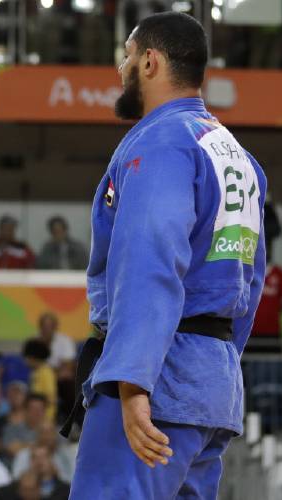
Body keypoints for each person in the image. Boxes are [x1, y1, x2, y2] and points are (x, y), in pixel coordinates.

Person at [67, 12, 266, 499]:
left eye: (127, 56)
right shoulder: (235, 155)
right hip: (211, 384)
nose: (121, 68)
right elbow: (252, 278)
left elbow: (149, 263)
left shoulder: (162, 142)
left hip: (158, 381)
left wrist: (133, 382)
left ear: (150, 62)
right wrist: (217, 365)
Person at [22, 339, 57, 422]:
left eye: (26, 357)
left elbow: (50, 397)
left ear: (32, 357)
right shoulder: (34, 372)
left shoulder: (46, 372)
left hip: (46, 417)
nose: (25, 360)